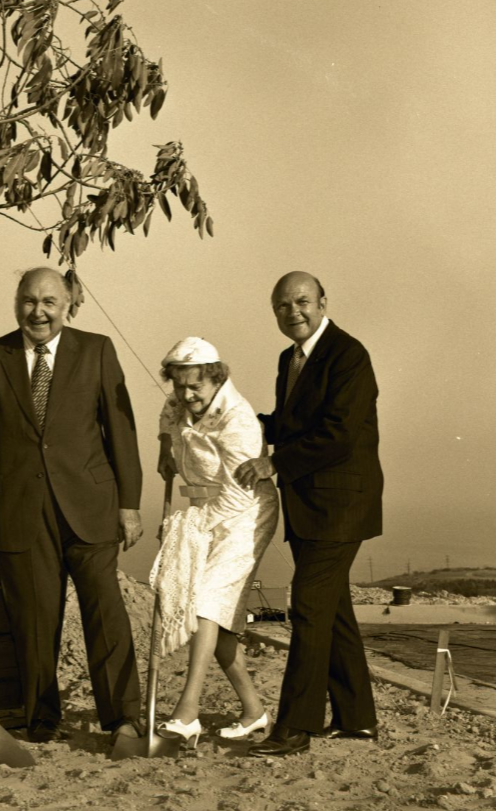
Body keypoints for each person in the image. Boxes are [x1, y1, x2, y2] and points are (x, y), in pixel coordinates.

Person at [0, 267, 143, 743]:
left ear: (67, 305)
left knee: (106, 612)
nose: (37, 312)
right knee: (33, 619)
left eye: (48, 302)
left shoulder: (97, 349)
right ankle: (41, 718)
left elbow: (120, 429)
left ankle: (122, 718)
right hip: (20, 508)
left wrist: (130, 504)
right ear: (16, 301)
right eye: (28, 300)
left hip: (91, 505)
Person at [236, 272, 383, 758]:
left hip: (341, 506)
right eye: (281, 305)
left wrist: (273, 462)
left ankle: (296, 726)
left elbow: (337, 433)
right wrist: (237, 422)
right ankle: (357, 720)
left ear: (323, 302)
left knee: (309, 606)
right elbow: (293, 422)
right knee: (333, 610)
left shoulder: (349, 355)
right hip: (309, 504)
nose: (292, 311)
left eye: (301, 301)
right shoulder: (290, 358)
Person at [151, 338, 279, 748]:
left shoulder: (238, 420)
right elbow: (166, 421)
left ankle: (187, 712)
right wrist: (166, 448)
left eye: (196, 387)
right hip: (206, 514)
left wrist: (191, 528)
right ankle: (255, 712)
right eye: (179, 385)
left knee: (207, 603)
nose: (187, 395)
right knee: (220, 627)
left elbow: (239, 494)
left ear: (216, 377)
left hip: (244, 517)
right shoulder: (177, 404)